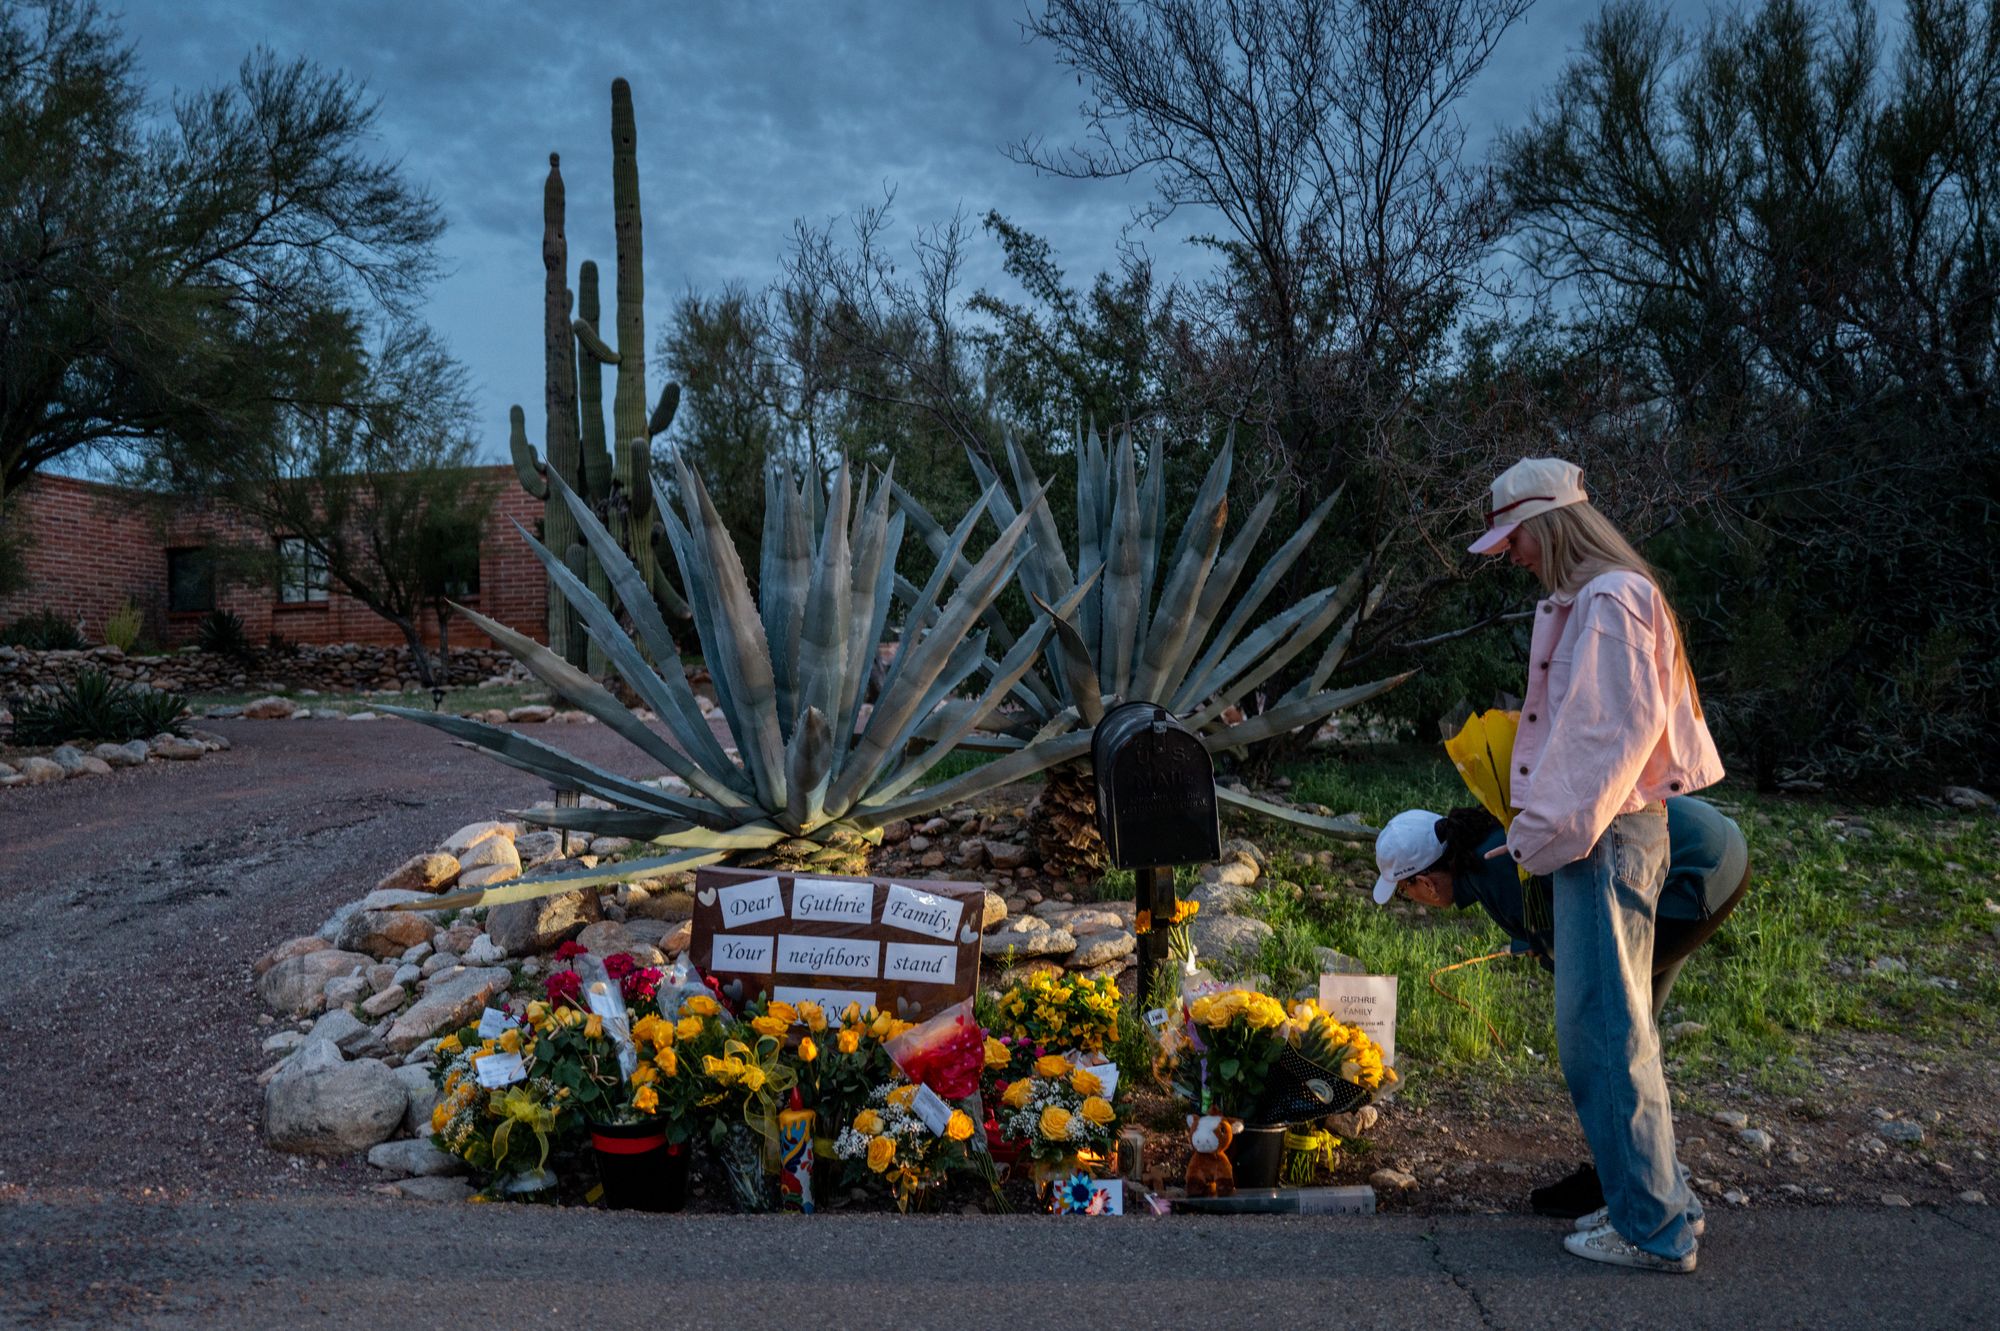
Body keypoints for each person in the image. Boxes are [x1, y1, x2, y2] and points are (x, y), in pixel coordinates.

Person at [1462, 457, 1722, 1272]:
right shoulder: (1614, 594)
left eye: (1516, 539)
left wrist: (1534, 836)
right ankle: (1659, 1201)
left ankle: (1652, 1226)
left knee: (1604, 1035)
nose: (1513, 556)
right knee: (1617, 1029)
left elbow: (1600, 743)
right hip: (1611, 833)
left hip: (1600, 837)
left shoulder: (1608, 602)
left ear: (1548, 525)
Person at [1370, 796, 1750, 1218]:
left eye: (1405, 891)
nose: (1411, 898)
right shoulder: (1492, 841)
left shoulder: (1492, 872)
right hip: (1711, 850)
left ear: (1425, 881)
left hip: (1690, 878)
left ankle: (1635, 1199)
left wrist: (1545, 947)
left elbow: (1571, 958)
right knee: (1630, 1033)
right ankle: (1651, 1181)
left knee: (1603, 1039)